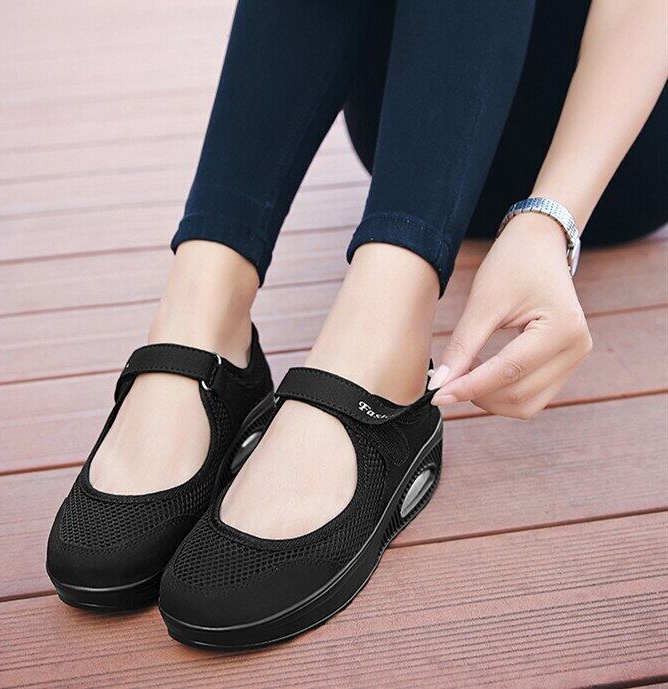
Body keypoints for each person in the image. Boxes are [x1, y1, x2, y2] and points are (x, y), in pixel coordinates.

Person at [46, 0, 666, 646]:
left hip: (602, 132)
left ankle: (382, 341)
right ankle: (206, 307)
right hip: (413, 99)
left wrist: (550, 220)